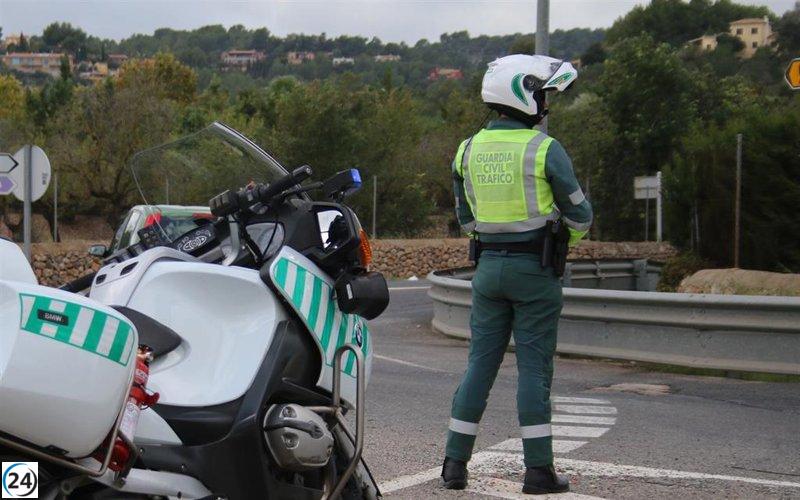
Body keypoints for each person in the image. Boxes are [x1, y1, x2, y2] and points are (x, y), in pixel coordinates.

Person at [442, 54, 593, 495]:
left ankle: (454, 465)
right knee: (533, 371)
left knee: (479, 366)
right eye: (542, 94)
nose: (545, 104)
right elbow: (580, 216)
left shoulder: (466, 150)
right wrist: (557, 240)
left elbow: (464, 218)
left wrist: (494, 236)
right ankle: (539, 472)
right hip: (535, 272)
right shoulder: (544, 148)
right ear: (523, 92)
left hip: (487, 270)